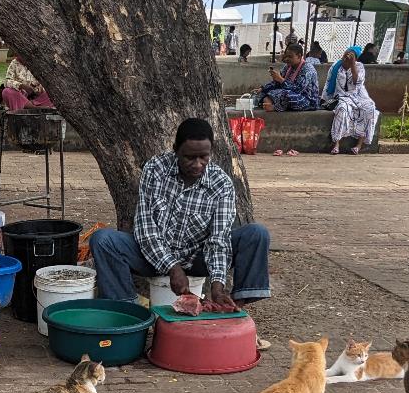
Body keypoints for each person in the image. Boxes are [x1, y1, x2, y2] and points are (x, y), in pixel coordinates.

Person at [88, 118, 271, 334]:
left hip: (197, 258)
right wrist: (172, 267)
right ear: (175, 150)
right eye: (189, 157)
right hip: (152, 255)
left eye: (204, 157)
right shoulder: (155, 169)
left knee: (256, 233)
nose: (197, 164)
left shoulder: (221, 184)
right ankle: (126, 315)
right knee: (103, 240)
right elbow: (146, 230)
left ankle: (232, 311)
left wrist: (217, 286)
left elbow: (218, 240)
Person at [329, 50, 379, 156]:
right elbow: (330, 83)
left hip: (359, 96)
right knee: (342, 109)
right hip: (343, 96)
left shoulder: (359, 66)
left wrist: (352, 65)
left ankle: (359, 145)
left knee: (370, 108)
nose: (346, 58)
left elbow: (357, 82)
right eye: (345, 56)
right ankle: (336, 144)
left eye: (350, 57)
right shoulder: (337, 67)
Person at [255, 41, 320, 111]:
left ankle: (274, 107)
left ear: (299, 56)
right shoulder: (288, 67)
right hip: (289, 94)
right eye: (286, 56)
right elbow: (276, 82)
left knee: (286, 94)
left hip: (307, 100)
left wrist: (281, 80)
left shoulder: (308, 69)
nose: (286, 59)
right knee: (265, 91)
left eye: (290, 56)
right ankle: (270, 104)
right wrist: (262, 88)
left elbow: (298, 90)